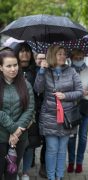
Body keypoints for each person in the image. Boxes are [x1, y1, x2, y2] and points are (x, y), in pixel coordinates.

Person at [34, 45, 83, 180]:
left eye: (64, 54)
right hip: (50, 116)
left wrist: (65, 96)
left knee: (62, 150)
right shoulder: (46, 71)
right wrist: (42, 71)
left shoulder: (71, 71)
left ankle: (59, 176)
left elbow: (80, 92)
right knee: (52, 149)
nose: (63, 56)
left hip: (67, 117)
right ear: (52, 55)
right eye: (59, 54)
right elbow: (38, 89)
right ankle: (51, 177)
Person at [0, 50, 34, 180]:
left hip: (19, 138)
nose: (13, 69)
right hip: (1, 137)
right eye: (9, 66)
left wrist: (18, 132)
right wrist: (13, 128)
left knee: (12, 173)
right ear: (0, 67)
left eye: (15, 65)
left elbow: (29, 109)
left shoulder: (26, 85)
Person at [14, 42, 41, 180]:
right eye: (22, 51)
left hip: (32, 114)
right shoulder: (12, 69)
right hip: (15, 114)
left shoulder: (36, 71)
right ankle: (15, 171)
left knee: (30, 145)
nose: (25, 54)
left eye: (28, 51)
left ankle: (25, 172)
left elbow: (40, 92)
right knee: (15, 144)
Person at [67, 48, 88, 173]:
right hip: (72, 107)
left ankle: (79, 162)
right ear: (71, 58)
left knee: (83, 137)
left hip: (86, 106)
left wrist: (87, 91)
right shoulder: (68, 70)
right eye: (76, 58)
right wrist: (76, 92)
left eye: (81, 58)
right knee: (72, 136)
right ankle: (71, 162)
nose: (79, 60)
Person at [34, 53, 47, 178]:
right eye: (39, 58)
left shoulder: (49, 70)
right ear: (35, 59)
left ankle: (43, 164)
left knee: (46, 140)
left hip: (45, 109)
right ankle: (31, 158)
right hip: (33, 109)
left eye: (44, 58)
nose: (41, 60)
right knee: (33, 136)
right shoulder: (32, 70)